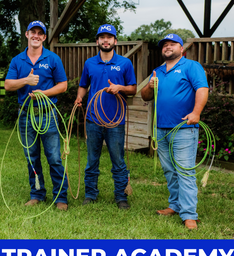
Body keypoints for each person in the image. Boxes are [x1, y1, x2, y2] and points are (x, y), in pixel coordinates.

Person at [141, 34, 209, 230]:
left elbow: (202, 89)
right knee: (170, 170)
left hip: (184, 128)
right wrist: (149, 86)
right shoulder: (158, 71)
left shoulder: (191, 66)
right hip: (161, 129)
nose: (167, 47)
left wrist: (196, 112)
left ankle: (189, 215)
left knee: (184, 172)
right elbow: (145, 96)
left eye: (172, 44)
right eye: (164, 45)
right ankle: (175, 205)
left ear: (181, 48)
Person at [4, 21, 68, 211]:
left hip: (47, 114)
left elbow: (63, 85)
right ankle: (37, 193)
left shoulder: (53, 58)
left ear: (44, 38)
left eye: (40, 33)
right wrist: (26, 81)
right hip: (25, 115)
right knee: (31, 157)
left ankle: (60, 197)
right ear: (27, 34)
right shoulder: (17, 60)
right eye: (33, 32)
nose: (36, 36)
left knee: (54, 157)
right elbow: (8, 85)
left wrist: (43, 92)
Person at [74, 24, 137, 210]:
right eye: (102, 37)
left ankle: (121, 196)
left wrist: (120, 88)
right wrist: (79, 97)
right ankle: (90, 195)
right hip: (93, 119)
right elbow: (84, 85)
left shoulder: (125, 63)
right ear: (97, 41)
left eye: (109, 37)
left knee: (118, 161)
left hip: (115, 122)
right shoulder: (89, 63)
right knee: (92, 160)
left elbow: (133, 89)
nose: (105, 40)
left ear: (115, 41)